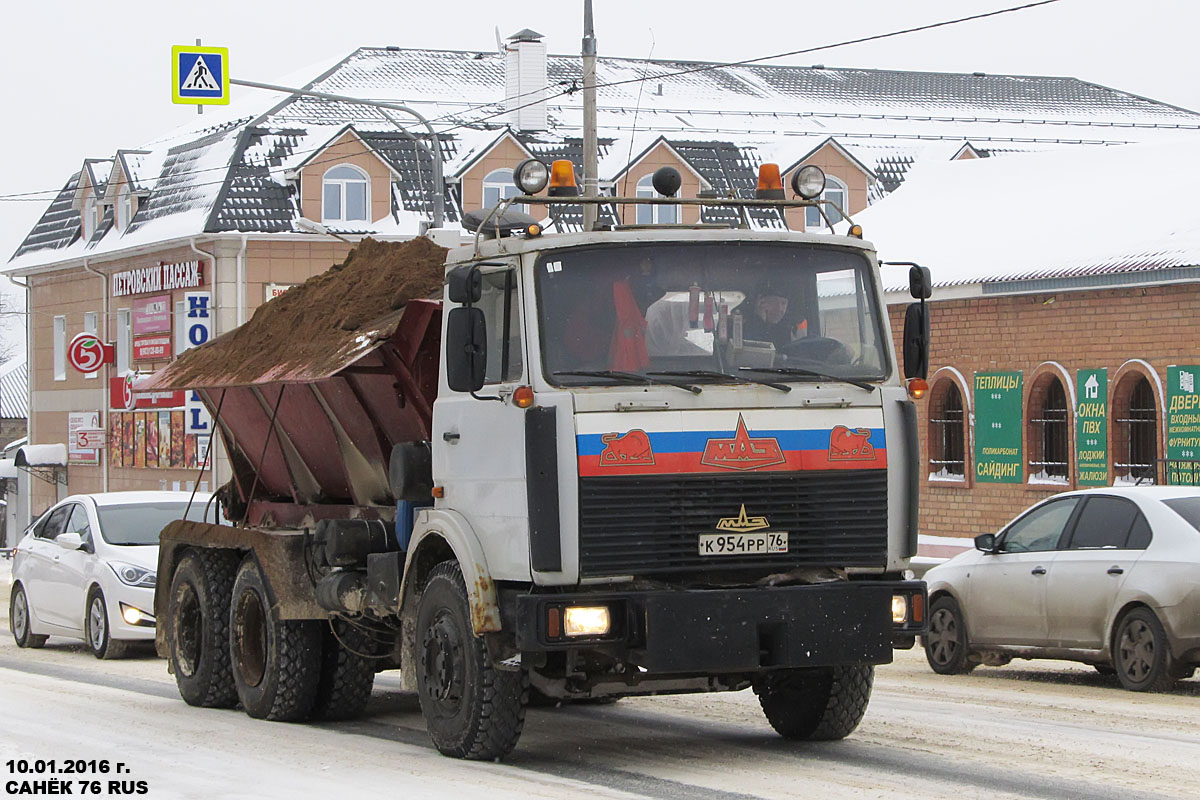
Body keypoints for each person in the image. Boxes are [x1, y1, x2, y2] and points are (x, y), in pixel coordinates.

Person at [740, 284, 794, 350]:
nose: (779, 309)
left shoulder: (786, 329)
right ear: (760, 302)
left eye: (783, 303)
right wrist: (759, 320)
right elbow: (753, 351)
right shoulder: (742, 324)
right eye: (774, 302)